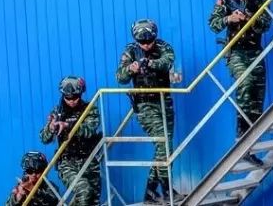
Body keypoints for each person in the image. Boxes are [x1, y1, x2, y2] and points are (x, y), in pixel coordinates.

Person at [115, 19, 183, 204]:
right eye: (142, 42)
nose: (146, 45)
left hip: (164, 101)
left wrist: (150, 63)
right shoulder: (130, 51)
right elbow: (120, 77)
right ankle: (167, 190)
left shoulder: (163, 46)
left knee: (165, 147)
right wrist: (130, 68)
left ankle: (150, 192)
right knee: (163, 144)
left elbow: (167, 61)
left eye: (149, 41)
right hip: (145, 104)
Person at [209, 0, 272, 166]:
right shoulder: (224, 0)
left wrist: (250, 18)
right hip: (236, 51)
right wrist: (229, 19)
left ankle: (248, 147)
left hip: (255, 50)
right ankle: (240, 136)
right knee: (245, 83)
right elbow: (213, 24)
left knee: (257, 99)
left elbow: (266, 24)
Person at [38, 76, 102, 206]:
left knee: (92, 200)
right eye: (68, 98)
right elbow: (44, 139)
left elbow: (89, 130)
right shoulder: (57, 112)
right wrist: (51, 128)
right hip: (67, 162)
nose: (72, 101)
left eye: (75, 97)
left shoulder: (89, 109)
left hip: (89, 160)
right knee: (84, 190)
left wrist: (68, 125)